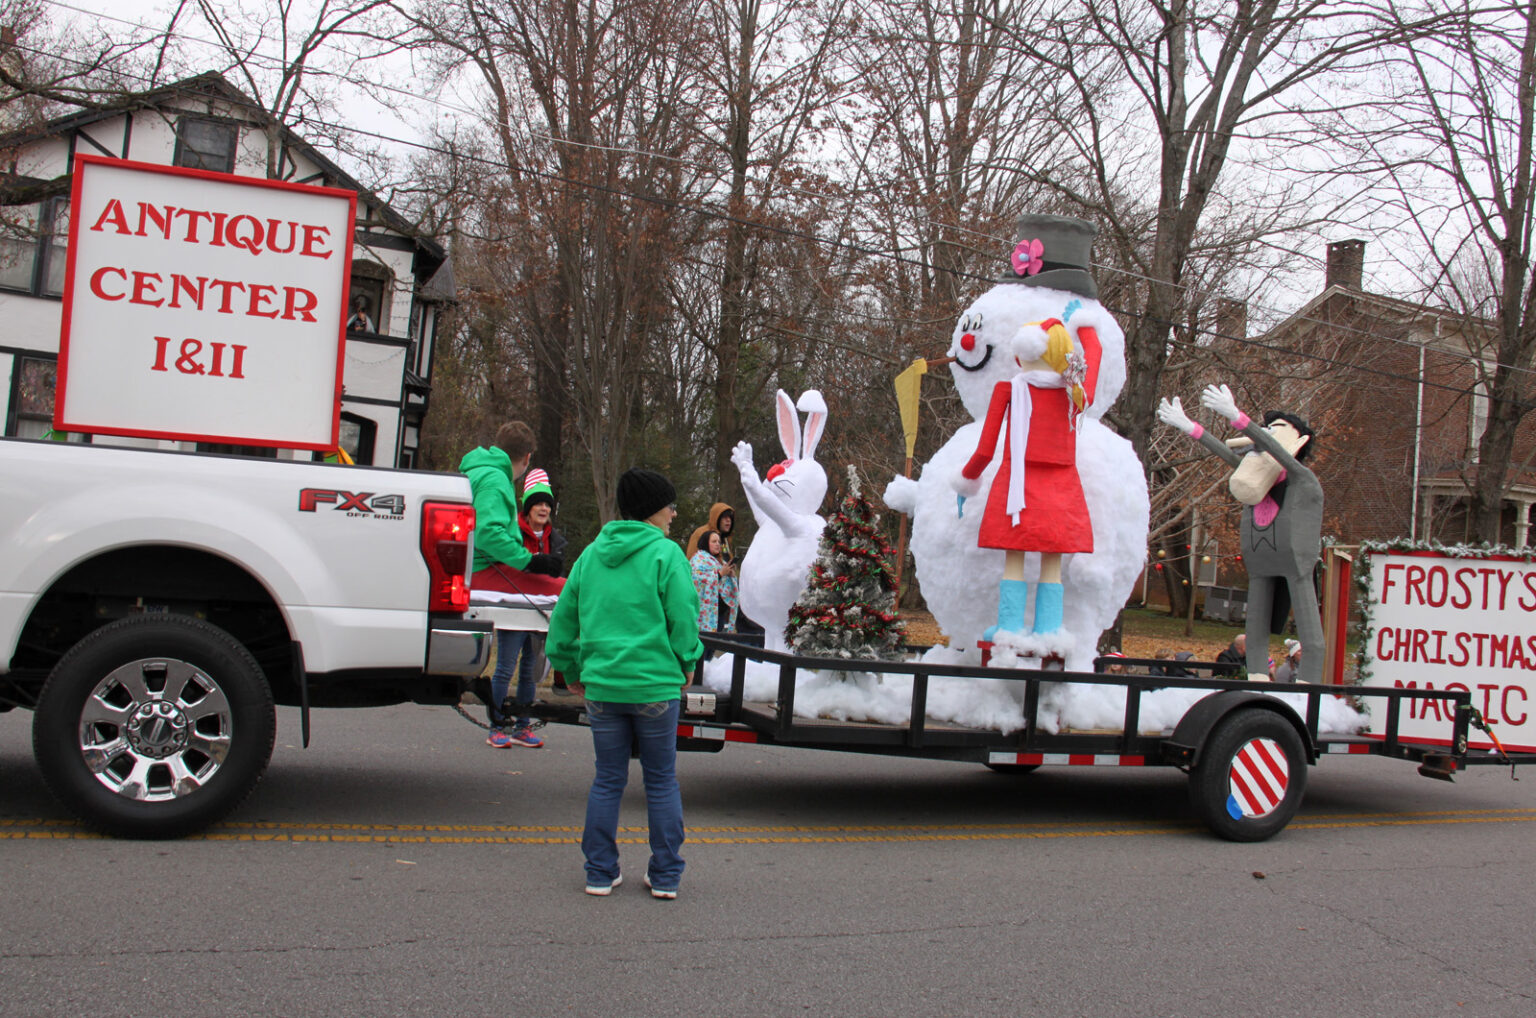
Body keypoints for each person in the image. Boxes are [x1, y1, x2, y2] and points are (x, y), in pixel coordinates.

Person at [546, 468, 703, 899]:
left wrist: (571, 669)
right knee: (661, 780)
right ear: (654, 509)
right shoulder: (667, 555)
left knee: (608, 779)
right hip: (655, 687)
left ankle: (600, 871)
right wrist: (687, 662)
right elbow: (684, 617)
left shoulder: (592, 555)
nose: (673, 513)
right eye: (670, 505)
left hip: (602, 687)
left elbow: (563, 621)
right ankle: (666, 874)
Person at [459, 423, 563, 748]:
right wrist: (530, 562)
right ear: (526, 458)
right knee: (562, 590)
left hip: (486, 565)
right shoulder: (495, 480)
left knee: (528, 662)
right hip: (486, 570)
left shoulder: (482, 471)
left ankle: (519, 725)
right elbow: (490, 534)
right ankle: (501, 724)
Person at [686, 503, 739, 630]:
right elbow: (694, 567)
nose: (728, 521)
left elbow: (721, 562)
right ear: (716, 518)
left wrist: (730, 572)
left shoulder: (725, 539)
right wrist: (719, 573)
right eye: (725, 517)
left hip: (720, 603)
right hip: (705, 605)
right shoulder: (702, 534)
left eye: (730, 518)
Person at [690, 530, 738, 632]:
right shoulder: (698, 560)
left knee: (714, 645)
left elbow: (722, 584)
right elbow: (698, 582)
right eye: (714, 541)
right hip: (704, 615)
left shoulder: (716, 561)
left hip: (719, 613)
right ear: (705, 543)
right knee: (707, 645)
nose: (717, 544)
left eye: (719, 542)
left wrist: (730, 576)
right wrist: (720, 574)